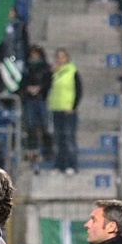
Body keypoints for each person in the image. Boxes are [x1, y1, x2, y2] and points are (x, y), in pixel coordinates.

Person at [47, 47, 82, 175]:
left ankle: (72, 164)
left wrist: (73, 106)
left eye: (62, 57)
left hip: (68, 110)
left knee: (69, 138)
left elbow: (79, 90)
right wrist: (50, 73)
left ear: (67, 58)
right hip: (56, 108)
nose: (60, 59)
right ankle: (59, 165)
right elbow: (47, 87)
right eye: (58, 57)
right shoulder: (54, 73)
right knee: (58, 139)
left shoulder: (73, 71)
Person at [20, 43, 52, 173]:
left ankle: (48, 153)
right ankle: (32, 156)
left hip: (42, 99)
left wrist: (40, 88)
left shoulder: (45, 68)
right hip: (29, 100)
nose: (34, 56)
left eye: (36, 53)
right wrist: (28, 89)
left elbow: (48, 82)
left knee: (45, 127)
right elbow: (22, 82)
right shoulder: (26, 67)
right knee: (31, 127)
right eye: (32, 53)